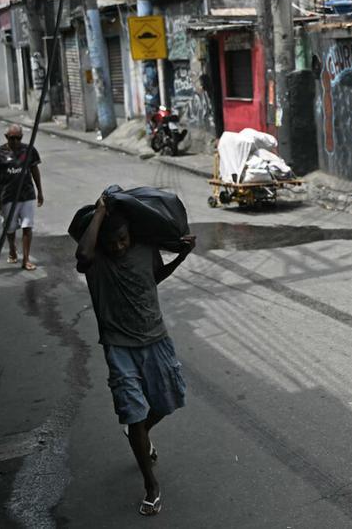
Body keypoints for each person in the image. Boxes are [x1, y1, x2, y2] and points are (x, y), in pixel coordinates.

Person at [75, 194, 196, 517]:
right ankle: (150, 485)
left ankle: (137, 431)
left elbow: (152, 278)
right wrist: (100, 212)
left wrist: (180, 257)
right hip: (118, 346)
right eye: (111, 242)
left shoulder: (144, 249)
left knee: (168, 402)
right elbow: (83, 255)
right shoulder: (96, 258)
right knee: (133, 412)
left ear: (132, 234)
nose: (118, 247)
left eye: (123, 240)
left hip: (156, 337)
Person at [0, 124, 44, 270]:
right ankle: (12, 249)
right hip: (8, 197)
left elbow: (35, 170)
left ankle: (26, 259)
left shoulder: (28, 150)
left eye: (19, 138)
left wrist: (40, 191)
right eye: (12, 138)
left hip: (27, 195)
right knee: (10, 228)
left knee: (27, 226)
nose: (16, 141)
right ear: (6, 137)